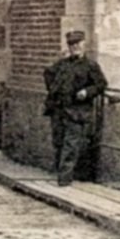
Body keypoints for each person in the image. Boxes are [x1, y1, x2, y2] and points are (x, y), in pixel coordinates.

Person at [43, 29, 108, 186]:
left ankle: (64, 179)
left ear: (84, 44)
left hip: (77, 111)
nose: (75, 47)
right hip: (59, 110)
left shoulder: (90, 66)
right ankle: (61, 174)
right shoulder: (62, 64)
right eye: (72, 44)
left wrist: (86, 92)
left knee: (71, 145)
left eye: (78, 43)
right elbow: (48, 74)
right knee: (58, 142)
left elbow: (101, 84)